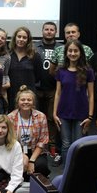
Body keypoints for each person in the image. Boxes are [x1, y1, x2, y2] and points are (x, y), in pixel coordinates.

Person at [53, 40, 94, 164]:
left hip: (81, 113)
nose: (72, 53)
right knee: (66, 145)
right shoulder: (61, 71)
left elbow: (91, 95)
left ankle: (78, 172)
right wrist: (54, 113)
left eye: (76, 51)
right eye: (70, 51)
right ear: (66, 53)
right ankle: (67, 173)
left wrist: (90, 116)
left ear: (81, 53)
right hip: (63, 112)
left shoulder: (88, 71)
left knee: (78, 144)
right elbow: (58, 93)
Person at [8, 85, 50, 177]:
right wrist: (22, 155)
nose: (26, 102)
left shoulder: (41, 116)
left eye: (29, 100)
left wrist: (31, 160)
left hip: (36, 150)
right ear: (18, 102)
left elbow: (43, 141)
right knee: (19, 165)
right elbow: (9, 140)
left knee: (40, 166)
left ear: (33, 102)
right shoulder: (10, 117)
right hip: (17, 150)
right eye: (23, 100)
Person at [34, 22, 62, 156]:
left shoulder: (61, 48)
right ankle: (37, 146)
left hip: (53, 89)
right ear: (42, 31)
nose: (49, 32)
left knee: (51, 119)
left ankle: (52, 148)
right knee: (37, 119)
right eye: (46, 29)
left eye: (52, 30)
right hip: (37, 88)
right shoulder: (34, 47)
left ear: (55, 32)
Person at [7, 26, 41, 112]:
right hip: (11, 95)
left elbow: (38, 76)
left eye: (24, 37)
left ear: (28, 40)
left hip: (29, 96)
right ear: (15, 38)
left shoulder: (34, 55)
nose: (21, 39)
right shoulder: (8, 55)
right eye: (19, 36)